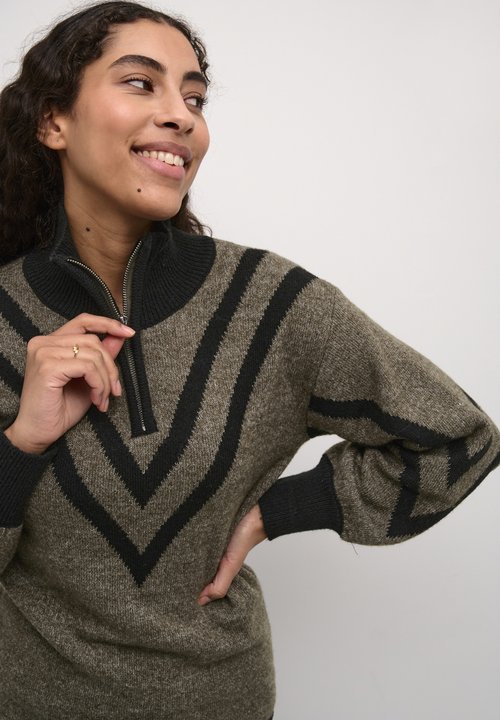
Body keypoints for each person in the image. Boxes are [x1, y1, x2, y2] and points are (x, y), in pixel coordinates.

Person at [0, 1, 498, 718]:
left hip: (222, 698)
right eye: (141, 82)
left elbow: (460, 438)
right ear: (54, 121)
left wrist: (280, 510)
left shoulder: (270, 304)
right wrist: (22, 443)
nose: (181, 116)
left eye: (194, 98)